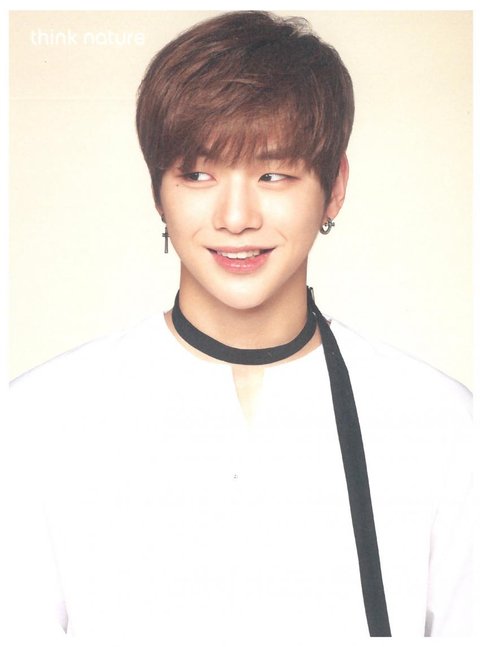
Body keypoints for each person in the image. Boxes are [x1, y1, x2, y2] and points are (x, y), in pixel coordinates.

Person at [2, 10, 474, 644]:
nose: (235, 217)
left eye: (273, 174)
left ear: (334, 187)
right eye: (198, 173)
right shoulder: (42, 417)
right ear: (158, 190)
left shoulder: (436, 421)